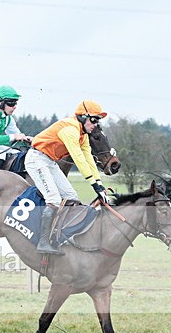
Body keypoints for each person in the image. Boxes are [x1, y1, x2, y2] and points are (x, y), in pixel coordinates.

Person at [24, 99, 110, 255]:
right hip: (36, 159)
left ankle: (58, 235)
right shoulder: (70, 130)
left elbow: (89, 159)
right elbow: (78, 158)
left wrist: (100, 184)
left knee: (71, 196)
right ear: (83, 117)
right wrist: (94, 185)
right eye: (94, 120)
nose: (96, 124)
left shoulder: (82, 135)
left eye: (98, 121)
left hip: (49, 161)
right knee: (54, 199)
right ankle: (43, 242)